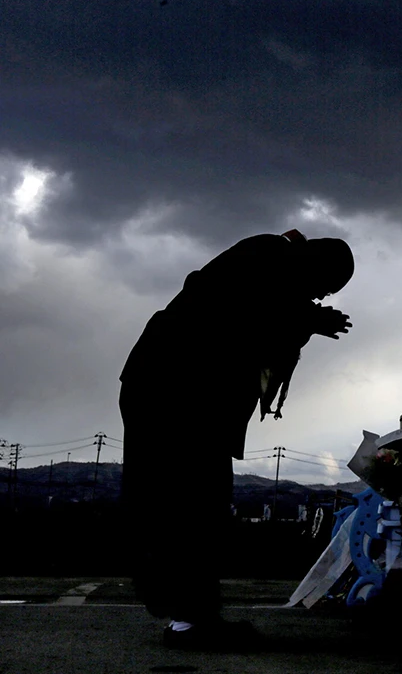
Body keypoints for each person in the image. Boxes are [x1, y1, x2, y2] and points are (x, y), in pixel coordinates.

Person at [118, 229, 354, 650]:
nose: (318, 296)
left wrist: (306, 320)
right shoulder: (264, 253)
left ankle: (189, 617)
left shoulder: (269, 266)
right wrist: (307, 320)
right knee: (191, 505)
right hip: (174, 393)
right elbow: (235, 314)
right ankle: (190, 621)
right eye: (322, 286)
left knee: (187, 505)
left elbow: (252, 318)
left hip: (173, 391)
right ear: (314, 264)